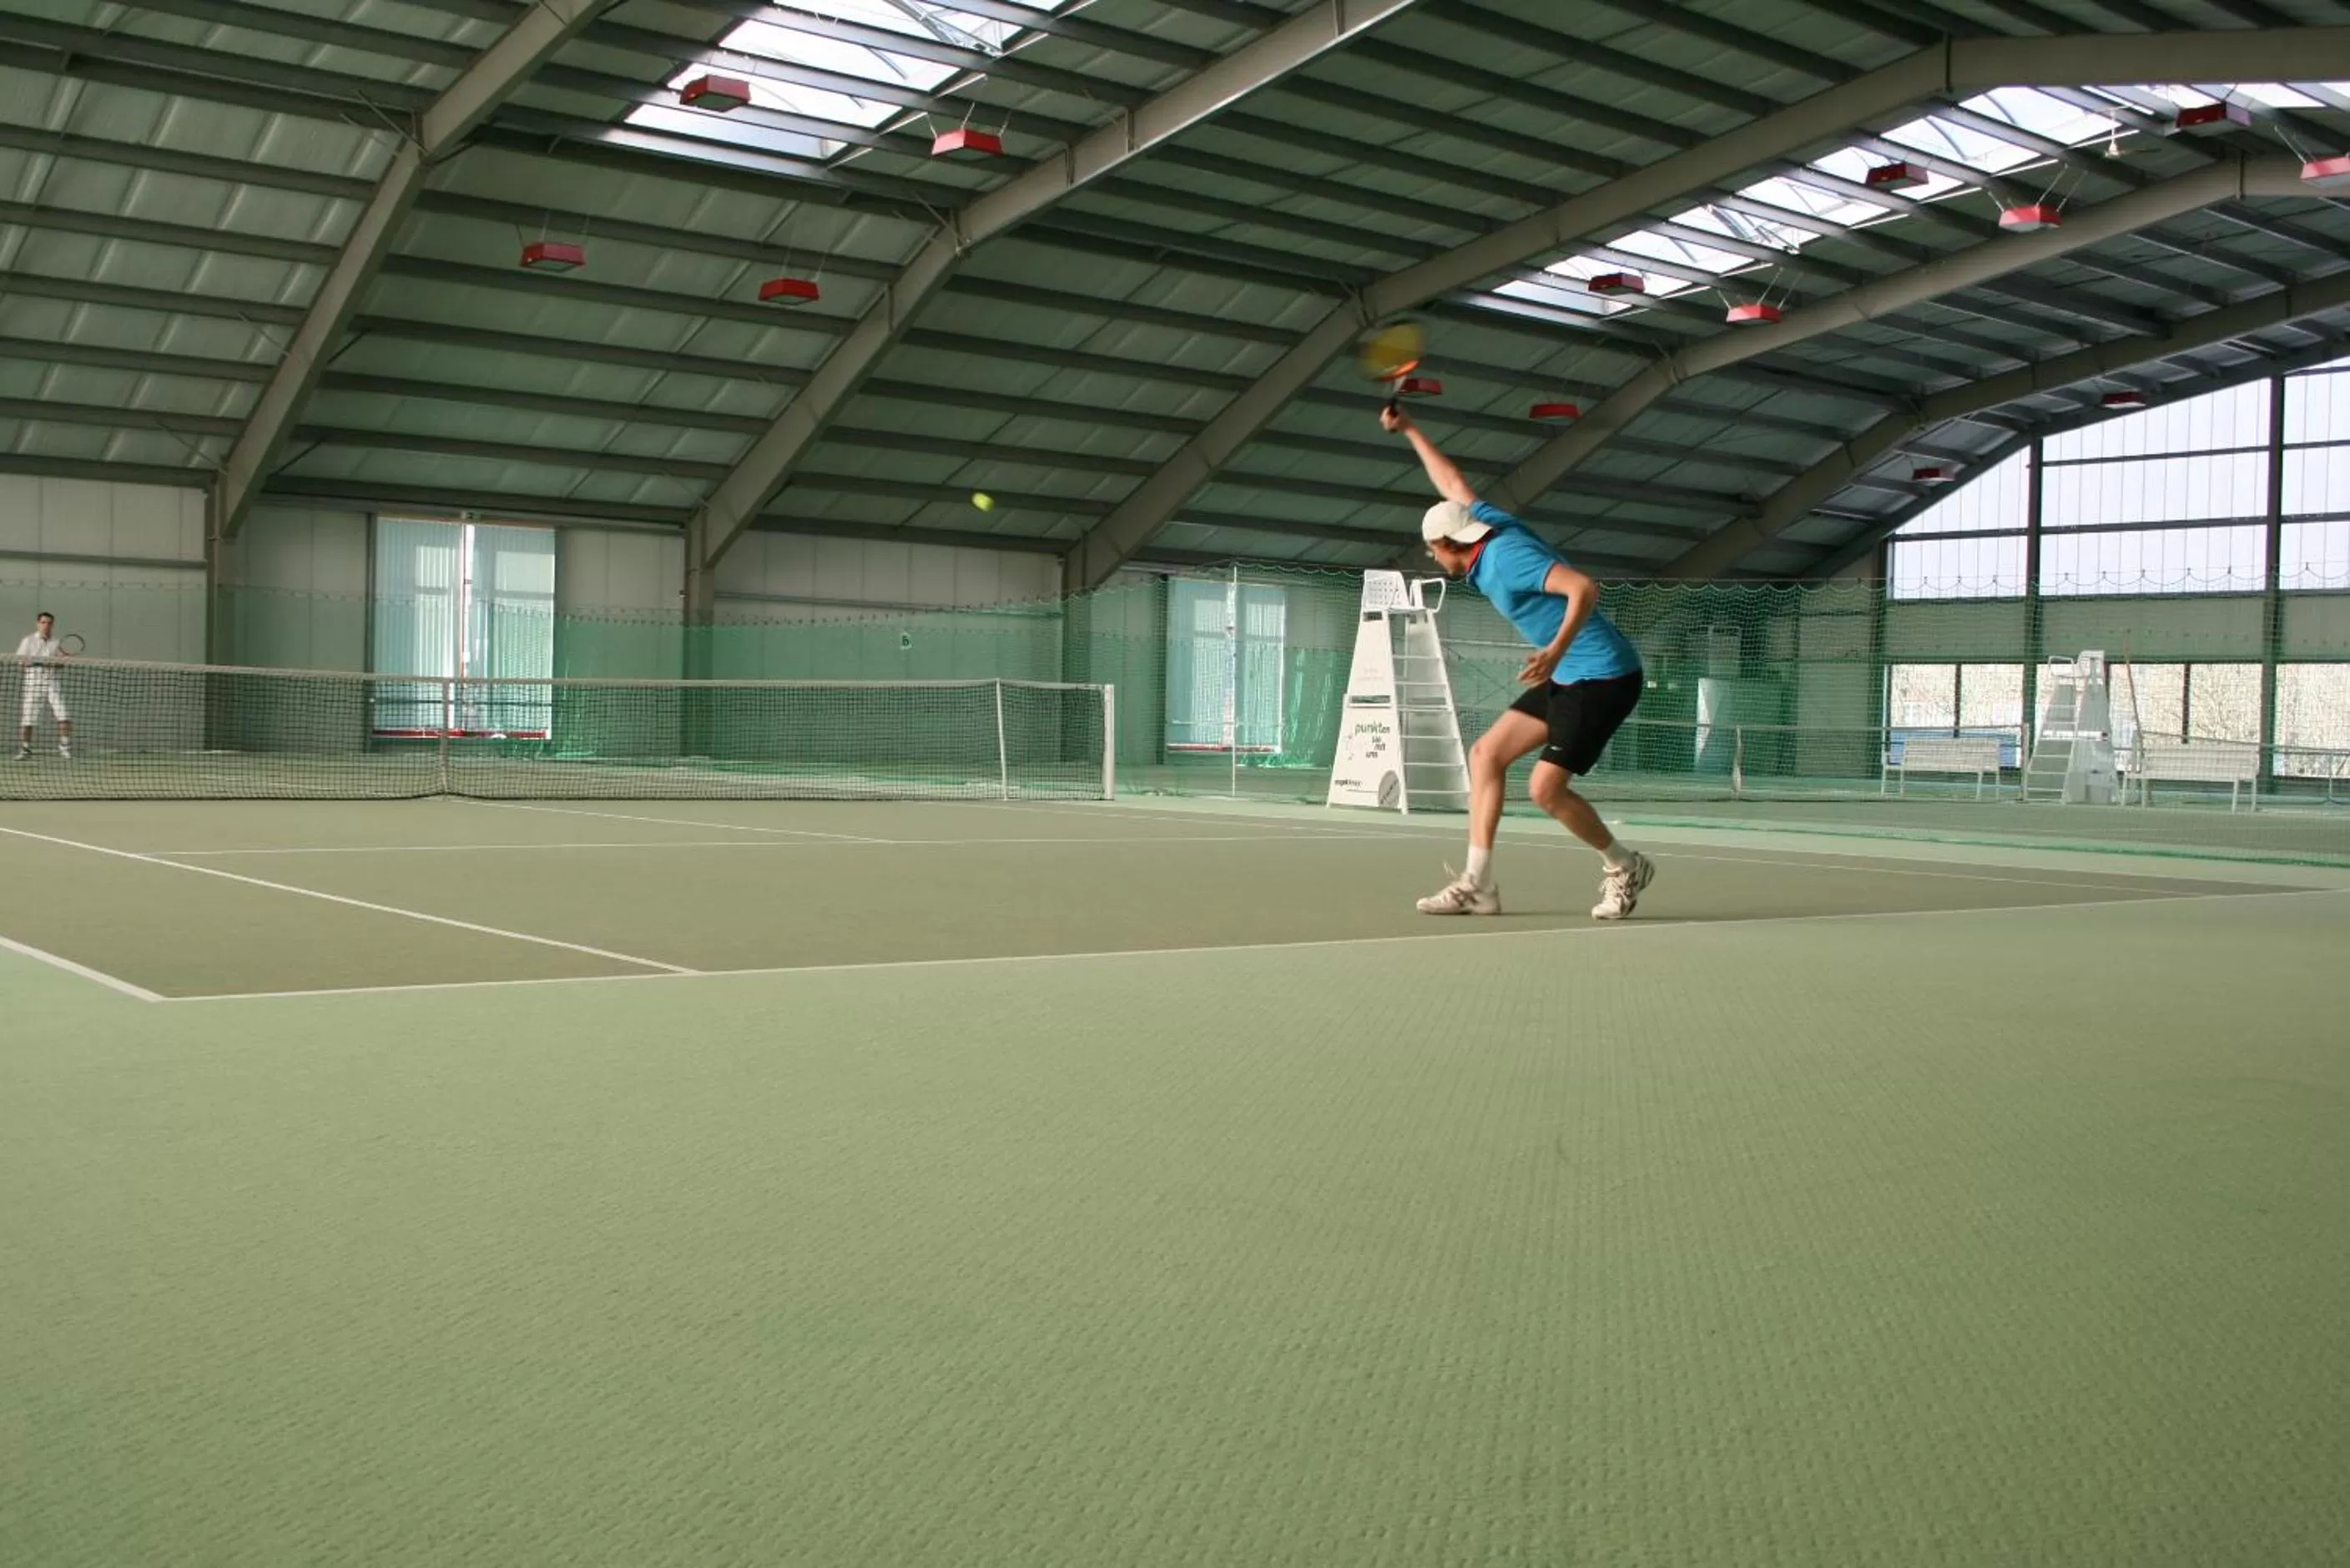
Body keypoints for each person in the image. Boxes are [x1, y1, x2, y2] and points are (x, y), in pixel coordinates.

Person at [1383, 406, 1654, 920]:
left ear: (1448, 545)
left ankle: (1624, 867)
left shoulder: (1506, 560)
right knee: (1486, 756)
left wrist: (1554, 650)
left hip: (1604, 675)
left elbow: (1583, 588)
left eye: (1431, 552)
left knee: (1545, 789)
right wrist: (1412, 428)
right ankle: (1478, 884)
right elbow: (1452, 481)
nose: (1433, 559)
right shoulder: (1483, 524)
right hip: (1571, 673)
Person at [15, 611, 73, 761]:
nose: (46, 625)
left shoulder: (56, 643)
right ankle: (25, 749)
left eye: (49, 623)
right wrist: (41, 662)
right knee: (27, 720)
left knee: (64, 716)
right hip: (33, 684)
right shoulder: (28, 641)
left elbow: (61, 666)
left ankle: (64, 748)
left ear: (53, 624)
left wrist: (62, 661)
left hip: (52, 684)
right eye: (43, 622)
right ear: (38, 624)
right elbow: (21, 663)